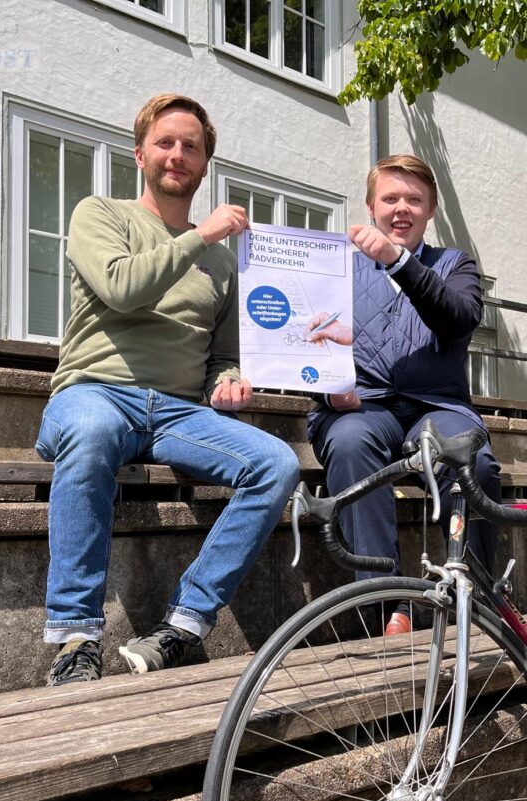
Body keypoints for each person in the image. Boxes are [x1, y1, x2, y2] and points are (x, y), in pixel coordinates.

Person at [38, 94, 301, 686]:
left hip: (178, 412)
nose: (177, 154)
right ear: (140, 154)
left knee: (276, 463)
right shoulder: (100, 215)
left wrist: (228, 381)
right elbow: (121, 287)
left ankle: (184, 624)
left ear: (205, 163)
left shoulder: (225, 266)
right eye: (165, 142)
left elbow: (223, 355)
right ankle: (76, 638)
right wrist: (198, 236)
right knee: (93, 430)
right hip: (94, 392)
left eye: (191, 146)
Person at [307, 154, 501, 635]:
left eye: (414, 199)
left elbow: (457, 318)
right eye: (390, 198)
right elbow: (303, 344)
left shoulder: (455, 264)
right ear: (371, 207)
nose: (401, 209)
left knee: (472, 464)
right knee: (350, 443)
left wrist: (398, 262)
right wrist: (331, 392)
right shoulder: (339, 271)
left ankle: (475, 596)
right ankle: (388, 602)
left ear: (431, 209)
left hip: (437, 406)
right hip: (364, 406)